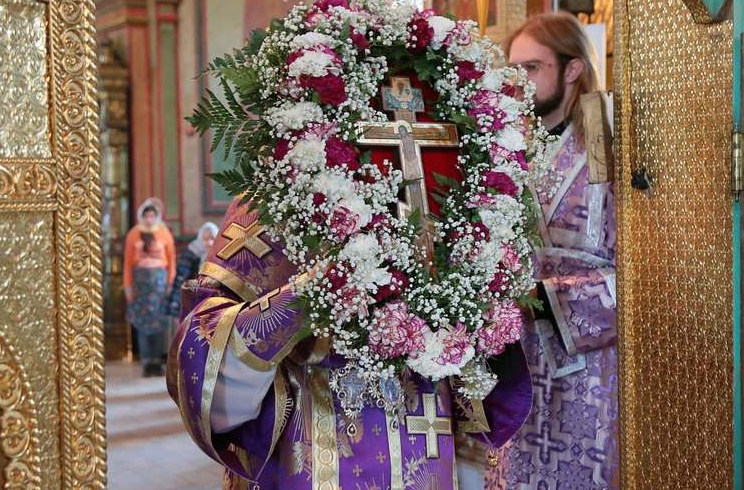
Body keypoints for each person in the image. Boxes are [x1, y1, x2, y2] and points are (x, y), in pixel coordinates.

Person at [166, 198, 534, 489]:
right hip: (310, 450)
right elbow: (205, 365)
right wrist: (306, 298)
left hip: (426, 446)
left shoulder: (449, 197)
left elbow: (481, 385)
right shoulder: (276, 199)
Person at [487, 12, 618, 489]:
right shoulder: (507, 149)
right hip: (519, 368)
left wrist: (546, 300)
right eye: (512, 69)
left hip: (588, 373)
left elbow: (644, 272)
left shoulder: (610, 150)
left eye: (531, 68)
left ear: (572, 69)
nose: (518, 82)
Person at [123, 198, 176, 377]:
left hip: (159, 283)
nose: (149, 219)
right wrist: (128, 287)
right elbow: (128, 263)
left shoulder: (164, 233)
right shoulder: (133, 234)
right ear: (141, 216)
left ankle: (157, 362)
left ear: (157, 216)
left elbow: (171, 260)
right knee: (142, 323)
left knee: (159, 322)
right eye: (146, 216)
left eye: (152, 216)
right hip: (140, 284)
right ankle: (146, 362)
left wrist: (170, 283)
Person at [165, 222, 218, 321]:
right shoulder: (193, 255)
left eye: (212, 238)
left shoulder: (220, 256)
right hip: (196, 298)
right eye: (205, 239)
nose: (209, 243)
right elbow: (183, 279)